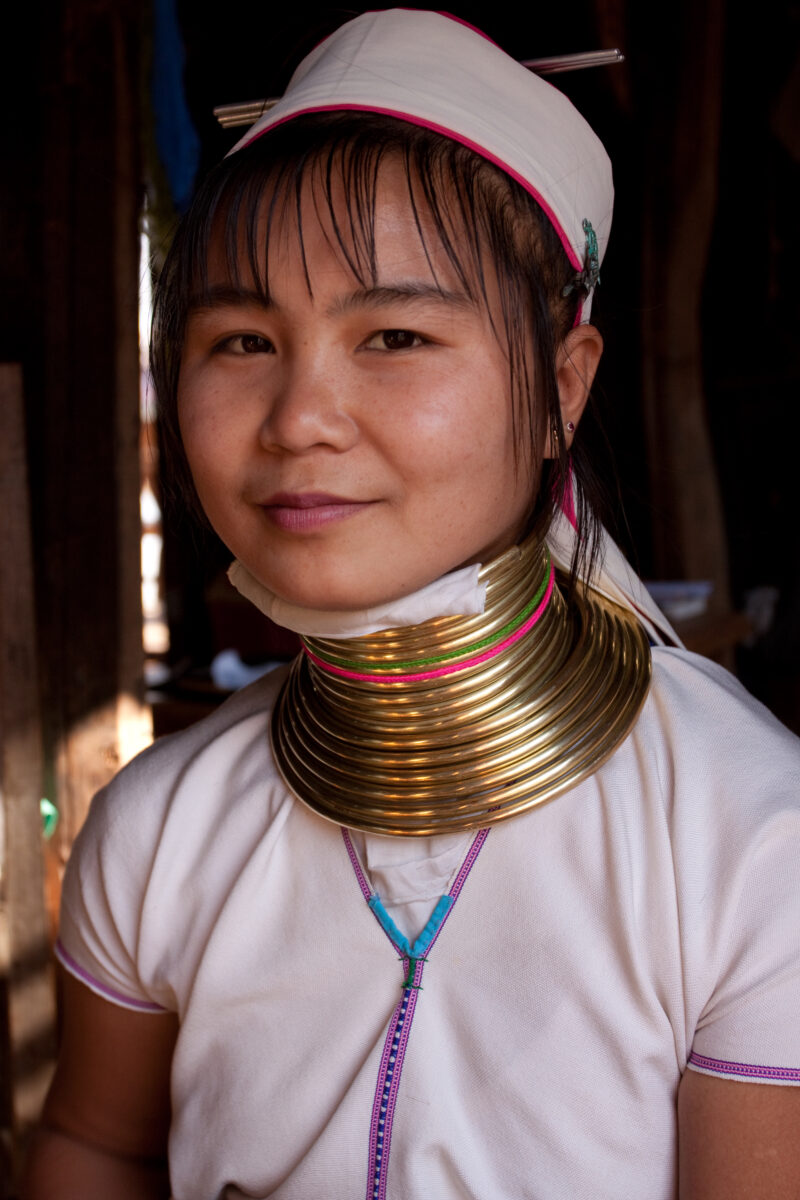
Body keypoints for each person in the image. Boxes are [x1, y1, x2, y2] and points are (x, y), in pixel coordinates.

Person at [23, 9, 800, 1199]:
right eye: (239, 340)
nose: (299, 418)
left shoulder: (746, 835)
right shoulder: (157, 831)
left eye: (392, 332)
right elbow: (94, 1146)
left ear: (559, 385)